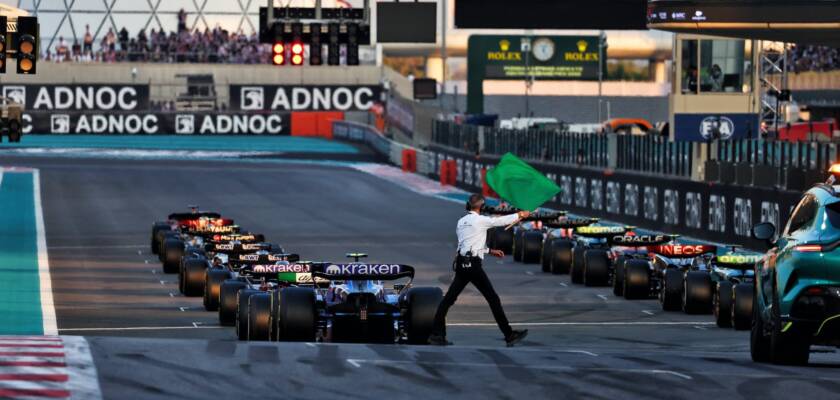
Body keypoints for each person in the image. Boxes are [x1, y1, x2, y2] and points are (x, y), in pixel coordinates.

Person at [429, 194, 531, 347]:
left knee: (448, 300)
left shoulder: (461, 222)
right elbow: (499, 221)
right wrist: (520, 214)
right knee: (493, 299)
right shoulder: (481, 220)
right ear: (481, 207)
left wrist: (489, 250)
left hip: (462, 264)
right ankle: (509, 335)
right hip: (474, 266)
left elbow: (468, 243)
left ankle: (437, 335)